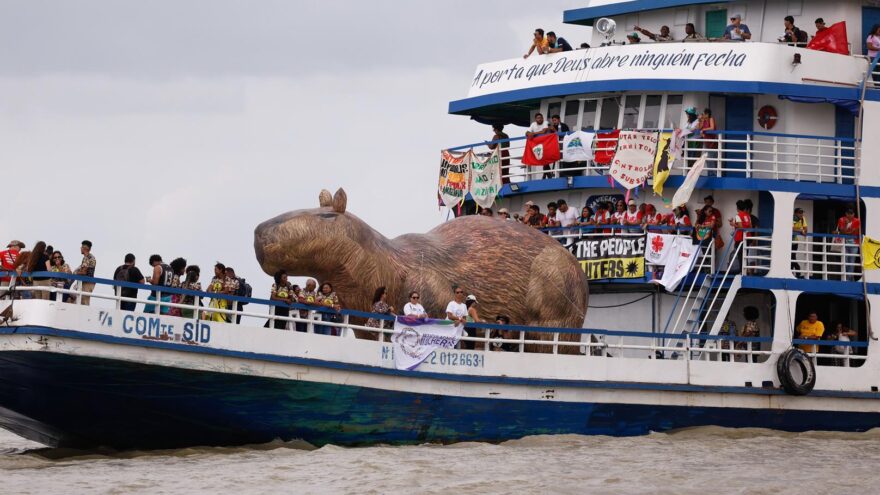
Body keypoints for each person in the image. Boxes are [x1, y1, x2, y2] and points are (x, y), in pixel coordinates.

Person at [835, 208, 861, 281]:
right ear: (846, 214)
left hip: (854, 243)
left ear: (854, 214)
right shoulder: (841, 219)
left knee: (851, 262)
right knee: (844, 261)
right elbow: (842, 231)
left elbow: (853, 232)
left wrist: (844, 231)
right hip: (844, 242)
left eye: (851, 213)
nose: (850, 215)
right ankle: (845, 278)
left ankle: (849, 280)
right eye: (848, 213)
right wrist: (846, 225)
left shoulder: (857, 220)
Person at [729, 200, 752, 273]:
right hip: (747, 237)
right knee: (745, 255)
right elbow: (750, 227)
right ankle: (745, 270)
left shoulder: (738, 215)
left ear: (738, 208)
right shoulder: (748, 216)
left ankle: (742, 271)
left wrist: (733, 224)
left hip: (740, 238)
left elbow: (740, 227)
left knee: (740, 255)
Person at [74, 240, 96, 305]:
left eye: (81, 247)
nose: (80, 248)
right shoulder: (90, 257)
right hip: (87, 283)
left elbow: (83, 272)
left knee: (84, 303)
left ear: (85, 248)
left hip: (86, 283)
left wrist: (76, 273)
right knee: (82, 302)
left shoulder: (87, 258)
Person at [791, 208, 809, 278]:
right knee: (791, 257)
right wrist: (801, 230)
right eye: (799, 213)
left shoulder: (802, 219)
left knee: (792, 256)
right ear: (795, 213)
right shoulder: (791, 218)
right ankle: (797, 270)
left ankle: (793, 272)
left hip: (794, 241)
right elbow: (791, 228)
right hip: (787, 241)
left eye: (802, 212)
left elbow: (806, 229)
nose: (801, 214)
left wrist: (802, 230)